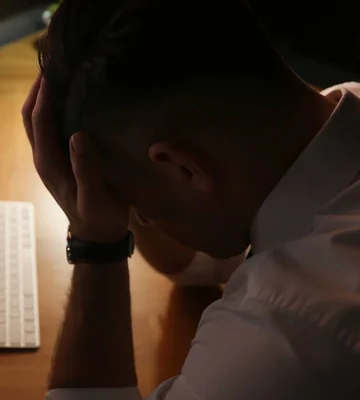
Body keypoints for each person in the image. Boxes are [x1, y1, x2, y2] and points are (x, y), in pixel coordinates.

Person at [22, 0, 360, 398]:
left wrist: (95, 244)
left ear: (183, 167)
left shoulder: (289, 335)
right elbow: (202, 266)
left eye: (138, 209)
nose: (141, 219)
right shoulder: (320, 139)